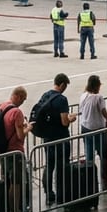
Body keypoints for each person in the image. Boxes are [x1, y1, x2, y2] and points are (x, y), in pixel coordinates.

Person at [34, 74, 76, 205]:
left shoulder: (45, 95)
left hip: (48, 137)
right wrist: (71, 118)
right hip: (60, 138)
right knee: (62, 165)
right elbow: (64, 122)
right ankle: (62, 193)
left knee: (49, 165)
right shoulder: (62, 99)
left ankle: (48, 193)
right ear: (62, 84)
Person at [0, 87, 32, 212]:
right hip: (15, 152)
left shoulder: (2, 106)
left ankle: (7, 211)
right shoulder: (17, 112)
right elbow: (20, 135)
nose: (23, 102)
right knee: (16, 184)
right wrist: (28, 127)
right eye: (23, 99)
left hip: (3, 151)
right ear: (17, 96)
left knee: (7, 181)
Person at [78, 76, 107, 184]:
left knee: (89, 154)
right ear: (97, 85)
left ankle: (90, 179)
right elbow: (103, 111)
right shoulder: (98, 97)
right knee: (103, 154)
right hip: (97, 129)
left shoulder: (83, 95)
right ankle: (104, 176)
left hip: (85, 127)